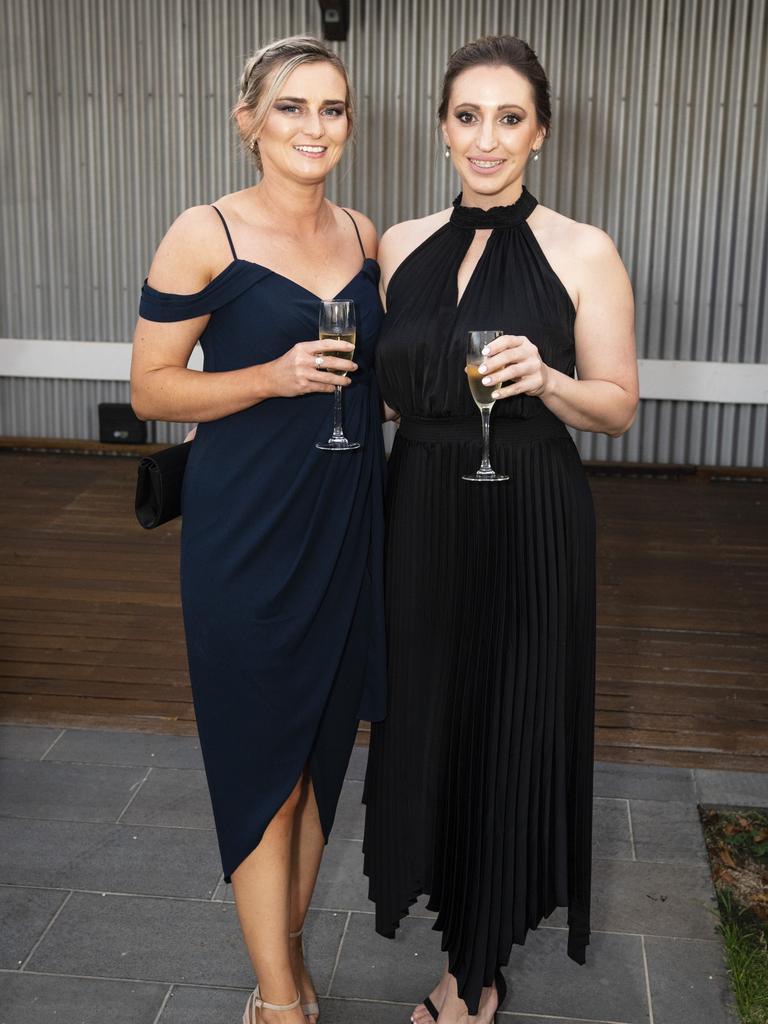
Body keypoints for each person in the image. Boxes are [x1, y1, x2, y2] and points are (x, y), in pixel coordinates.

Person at [362, 34, 638, 1024]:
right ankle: (454, 926)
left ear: (541, 132)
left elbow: (616, 406)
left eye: (509, 117)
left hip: (529, 513)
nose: (487, 138)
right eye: (468, 116)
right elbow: (395, 399)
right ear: (443, 129)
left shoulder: (582, 248)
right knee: (431, 722)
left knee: (510, 723)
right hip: (422, 511)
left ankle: (474, 967)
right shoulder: (396, 245)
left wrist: (550, 377)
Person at [130, 36, 386, 1024]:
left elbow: (377, 380)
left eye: (332, 108)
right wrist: (273, 377)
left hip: (343, 525)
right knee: (262, 770)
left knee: (319, 766)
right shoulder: (205, 234)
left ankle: (279, 964)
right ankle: (281, 1007)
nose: (315, 127)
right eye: (291, 108)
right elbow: (151, 388)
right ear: (250, 123)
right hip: (245, 534)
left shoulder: (363, 235)